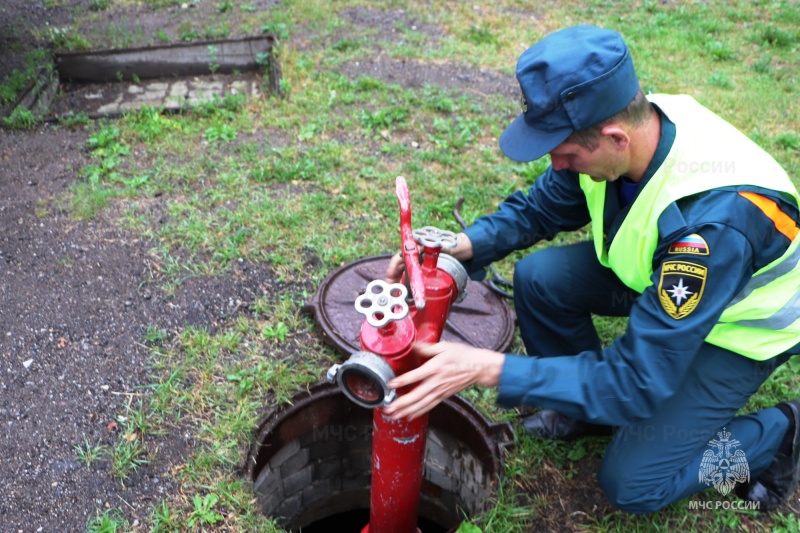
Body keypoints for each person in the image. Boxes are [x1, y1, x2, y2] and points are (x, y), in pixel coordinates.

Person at [382, 25, 800, 514]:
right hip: (661, 277)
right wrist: (461, 246)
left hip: (738, 328)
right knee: (539, 279)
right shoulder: (630, 124)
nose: (557, 165)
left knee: (634, 484)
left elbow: (638, 380)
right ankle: (589, 411)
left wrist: (491, 369)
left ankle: (779, 433)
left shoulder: (711, 230)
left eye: (566, 154)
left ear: (614, 138)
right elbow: (541, 208)